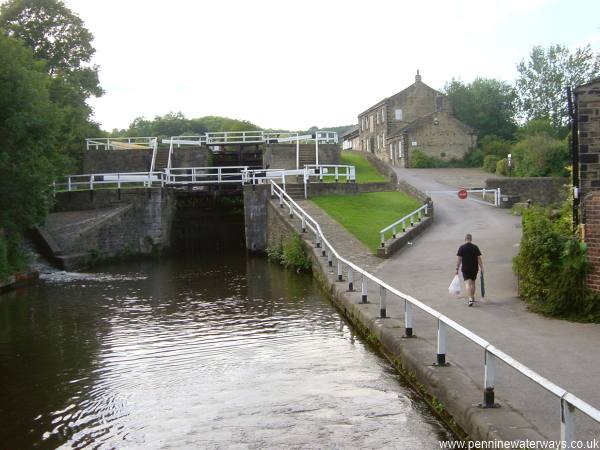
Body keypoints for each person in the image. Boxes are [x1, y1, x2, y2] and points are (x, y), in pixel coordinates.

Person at [455, 234, 483, 307]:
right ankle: (472, 297)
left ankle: (470, 298)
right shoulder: (475, 247)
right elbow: (479, 258)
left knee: (467, 283)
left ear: (465, 239)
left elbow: (459, 259)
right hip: (474, 268)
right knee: (473, 283)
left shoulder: (462, 248)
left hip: (465, 268)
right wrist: (482, 268)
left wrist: (457, 268)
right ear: (471, 239)